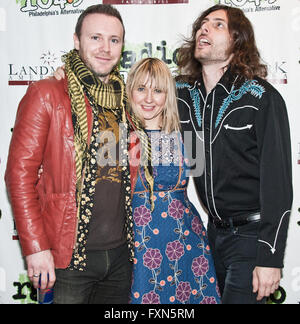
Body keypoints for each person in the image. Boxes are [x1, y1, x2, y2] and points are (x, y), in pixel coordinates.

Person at [5, 4, 149, 304]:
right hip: (67, 259)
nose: (105, 48)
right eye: (95, 37)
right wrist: (35, 247)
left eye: (114, 40)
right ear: (76, 41)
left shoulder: (124, 99)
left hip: (121, 256)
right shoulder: (48, 94)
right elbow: (19, 176)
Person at [176, 5, 293, 304]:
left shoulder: (262, 98)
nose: (204, 28)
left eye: (217, 24)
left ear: (237, 40)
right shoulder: (181, 94)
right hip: (211, 237)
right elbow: (138, 93)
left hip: (252, 239)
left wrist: (270, 257)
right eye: (202, 24)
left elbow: (278, 186)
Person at [126, 57, 221, 304]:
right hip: (137, 247)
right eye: (141, 88)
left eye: (157, 90)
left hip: (185, 244)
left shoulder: (187, 135)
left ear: (167, 94)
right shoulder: (113, 137)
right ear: (130, 91)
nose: (148, 98)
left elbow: (213, 186)